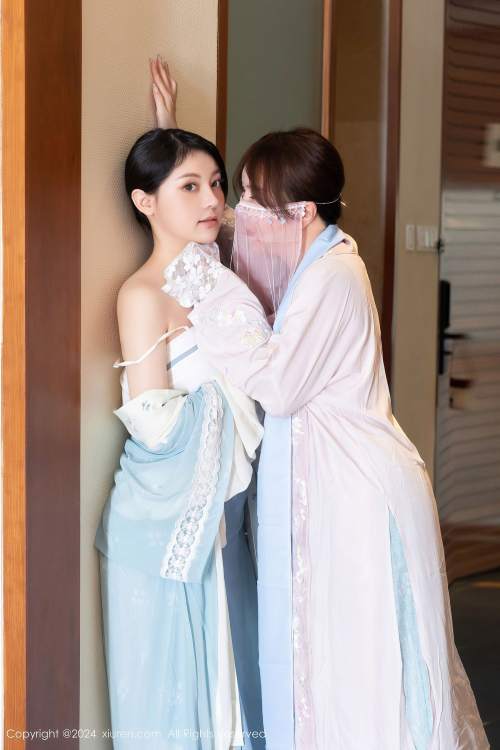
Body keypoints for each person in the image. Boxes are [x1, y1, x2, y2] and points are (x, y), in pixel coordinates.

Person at [152, 58, 490, 750]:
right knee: (331, 654)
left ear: (300, 212)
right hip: (339, 481)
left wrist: (199, 279)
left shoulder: (335, 276)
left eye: (252, 198)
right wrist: (170, 147)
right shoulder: (312, 257)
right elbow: (224, 240)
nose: (240, 211)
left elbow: (276, 383)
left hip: (357, 490)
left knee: (359, 657)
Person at [94, 124, 265, 749]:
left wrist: (167, 124)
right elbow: (155, 421)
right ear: (144, 202)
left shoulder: (209, 267)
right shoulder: (141, 295)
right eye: (190, 187)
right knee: (186, 700)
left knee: (234, 676)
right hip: (171, 517)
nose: (213, 200)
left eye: (216, 184)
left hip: (224, 507)